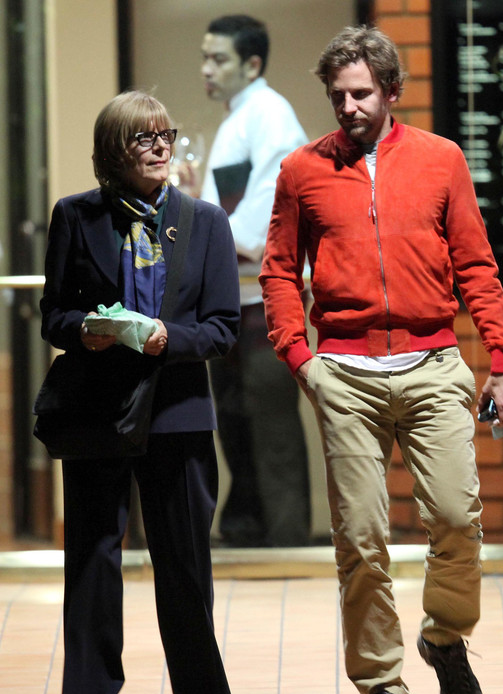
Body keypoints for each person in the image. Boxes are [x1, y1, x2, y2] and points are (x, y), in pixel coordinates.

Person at [260, 26, 503, 694]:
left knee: (454, 515)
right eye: (337, 95)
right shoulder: (302, 170)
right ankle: (384, 688)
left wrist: (502, 359)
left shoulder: (440, 160)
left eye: (360, 93)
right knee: (362, 537)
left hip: (434, 362)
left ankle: (444, 638)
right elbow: (279, 271)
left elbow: (476, 264)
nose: (347, 107)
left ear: (391, 91)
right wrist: (301, 358)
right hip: (343, 372)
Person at [39, 90, 240, 694]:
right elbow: (53, 316)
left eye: (165, 136)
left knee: (183, 562)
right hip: (97, 410)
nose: (159, 149)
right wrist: (87, 333)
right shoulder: (74, 216)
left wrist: (164, 340)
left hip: (178, 411)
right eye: (142, 140)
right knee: (93, 560)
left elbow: (221, 329)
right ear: (111, 154)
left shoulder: (203, 221)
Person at [200, 14, 311, 547]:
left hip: (262, 295)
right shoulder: (238, 118)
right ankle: (248, 528)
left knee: (270, 422)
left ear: (252, 63)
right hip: (234, 294)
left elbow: (269, 203)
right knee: (237, 418)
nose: (207, 69)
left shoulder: (269, 113)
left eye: (218, 58)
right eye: (204, 57)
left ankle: (286, 539)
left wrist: (209, 240)